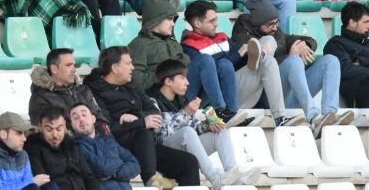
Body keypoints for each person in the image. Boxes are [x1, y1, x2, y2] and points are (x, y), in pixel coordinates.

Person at [84, 47, 201, 188]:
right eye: (128, 64)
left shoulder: (131, 84)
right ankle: (151, 180)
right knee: (143, 132)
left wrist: (136, 117)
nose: (133, 68)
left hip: (147, 146)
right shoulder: (94, 90)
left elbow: (153, 110)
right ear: (115, 68)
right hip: (119, 146)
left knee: (189, 162)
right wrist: (141, 123)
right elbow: (107, 128)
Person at [229, 0, 348, 131]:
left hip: (290, 93)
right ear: (258, 24)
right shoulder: (241, 38)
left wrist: (305, 45)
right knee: (293, 60)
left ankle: (329, 114)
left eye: (277, 22)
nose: (275, 27)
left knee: (331, 60)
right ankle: (313, 117)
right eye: (270, 24)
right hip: (268, 97)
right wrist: (290, 56)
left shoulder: (276, 32)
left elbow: (307, 40)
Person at [146, 60, 246, 190]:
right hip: (164, 151)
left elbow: (192, 125)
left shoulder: (180, 98)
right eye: (182, 78)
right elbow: (160, 134)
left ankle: (233, 174)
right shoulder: (151, 99)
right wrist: (186, 112)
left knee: (220, 131)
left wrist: (208, 126)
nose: (187, 82)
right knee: (187, 131)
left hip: (184, 145)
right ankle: (215, 179)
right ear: (168, 81)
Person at [23, 106, 98, 190]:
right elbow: (44, 183)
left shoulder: (71, 144)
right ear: (40, 127)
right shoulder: (32, 147)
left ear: (65, 126)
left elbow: (88, 176)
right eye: (49, 129)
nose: (54, 135)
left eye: (59, 129)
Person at [69, 103, 140, 190]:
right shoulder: (74, 146)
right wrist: (120, 163)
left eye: (84, 115)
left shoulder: (109, 140)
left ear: (93, 118)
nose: (81, 119)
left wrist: (115, 174)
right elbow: (102, 169)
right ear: (72, 125)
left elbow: (134, 164)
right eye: (76, 118)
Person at [27, 48, 104, 126]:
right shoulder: (40, 98)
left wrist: (104, 135)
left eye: (74, 65)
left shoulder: (83, 90)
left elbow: (100, 118)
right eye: (68, 65)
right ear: (54, 69)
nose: (74, 70)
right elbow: (50, 132)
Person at [0, 111, 45, 190]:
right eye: (19, 133)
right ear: (3, 134)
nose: (24, 139)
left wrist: (31, 184)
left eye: (24, 133)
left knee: (49, 186)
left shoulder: (23, 155)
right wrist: (31, 183)